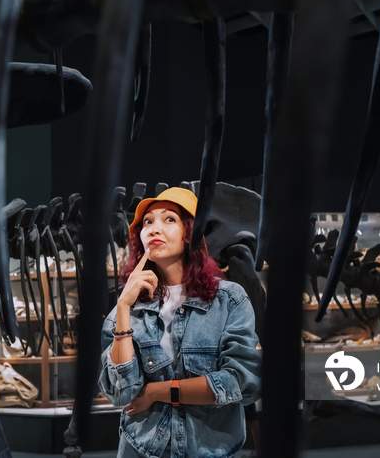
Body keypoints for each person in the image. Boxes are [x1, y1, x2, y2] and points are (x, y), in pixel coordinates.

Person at [98, 187, 261, 458]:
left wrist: (156, 392)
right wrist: (124, 307)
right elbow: (121, 392)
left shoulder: (229, 299)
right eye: (147, 222)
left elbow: (240, 382)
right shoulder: (127, 306)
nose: (154, 228)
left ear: (190, 233)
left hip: (209, 450)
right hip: (141, 450)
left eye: (169, 219)